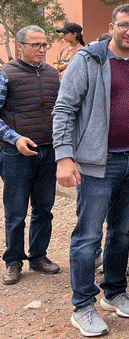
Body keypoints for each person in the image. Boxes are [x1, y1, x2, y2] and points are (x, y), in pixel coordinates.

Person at [53, 4, 129, 337]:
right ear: (112, 26)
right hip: (98, 164)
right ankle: (83, 307)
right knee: (89, 237)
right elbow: (64, 109)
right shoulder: (88, 60)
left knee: (121, 233)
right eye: (124, 25)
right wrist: (64, 157)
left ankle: (114, 291)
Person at [1, 25, 60, 286]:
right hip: (16, 154)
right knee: (16, 212)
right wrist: (15, 139)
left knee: (44, 208)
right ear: (20, 47)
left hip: (48, 151)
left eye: (45, 44)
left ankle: (38, 256)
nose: (42, 49)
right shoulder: (5, 74)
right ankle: (13, 261)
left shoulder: (52, 74)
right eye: (36, 44)